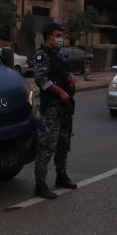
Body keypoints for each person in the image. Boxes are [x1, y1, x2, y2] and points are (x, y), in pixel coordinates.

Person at [32, 21, 78, 199]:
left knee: (63, 144)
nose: (61, 39)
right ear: (49, 37)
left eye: (61, 36)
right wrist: (60, 92)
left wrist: (70, 77)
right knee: (46, 146)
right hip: (52, 108)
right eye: (58, 36)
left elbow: (59, 75)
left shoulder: (57, 55)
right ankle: (40, 185)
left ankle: (61, 176)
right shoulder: (42, 55)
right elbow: (41, 79)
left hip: (64, 108)